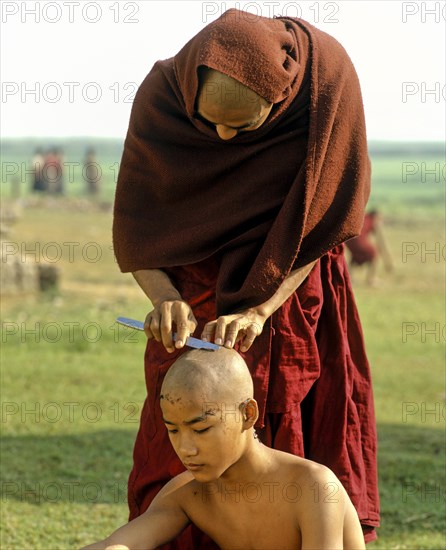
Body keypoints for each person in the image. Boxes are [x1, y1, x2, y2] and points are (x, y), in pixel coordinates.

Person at [113, 9, 380, 546]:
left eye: (244, 125)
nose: (224, 136)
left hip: (290, 283)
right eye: (209, 123)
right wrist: (165, 297)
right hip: (194, 290)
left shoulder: (326, 85)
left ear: (280, 105)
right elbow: (139, 222)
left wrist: (262, 309)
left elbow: (325, 223)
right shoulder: (163, 97)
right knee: (193, 416)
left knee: (281, 423)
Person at [82, 349, 366, 550]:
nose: (186, 449)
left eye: (201, 429)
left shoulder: (313, 487)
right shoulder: (187, 495)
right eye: (173, 430)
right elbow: (118, 544)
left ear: (248, 414)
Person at [346, 209, 393, 286]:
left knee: (355, 254)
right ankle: (371, 279)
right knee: (373, 252)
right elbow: (381, 242)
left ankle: (349, 277)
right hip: (358, 241)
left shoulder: (363, 217)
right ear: (375, 216)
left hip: (349, 241)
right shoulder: (372, 220)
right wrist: (388, 262)